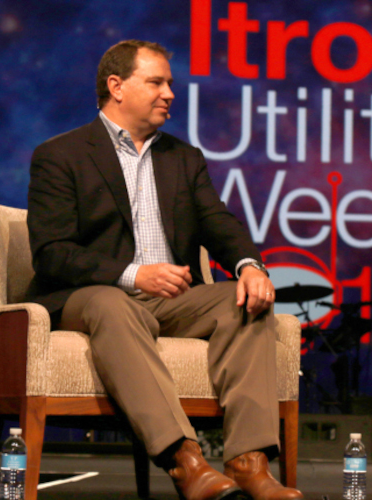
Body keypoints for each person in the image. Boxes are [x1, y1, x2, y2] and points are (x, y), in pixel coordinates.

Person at [26, 40, 304, 500]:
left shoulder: (183, 157)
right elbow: (53, 253)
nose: (170, 93)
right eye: (156, 82)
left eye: (170, 83)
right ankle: (185, 462)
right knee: (112, 303)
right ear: (116, 86)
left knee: (244, 300)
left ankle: (248, 462)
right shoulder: (61, 155)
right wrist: (134, 274)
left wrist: (250, 266)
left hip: (171, 301)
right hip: (90, 296)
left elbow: (217, 221)